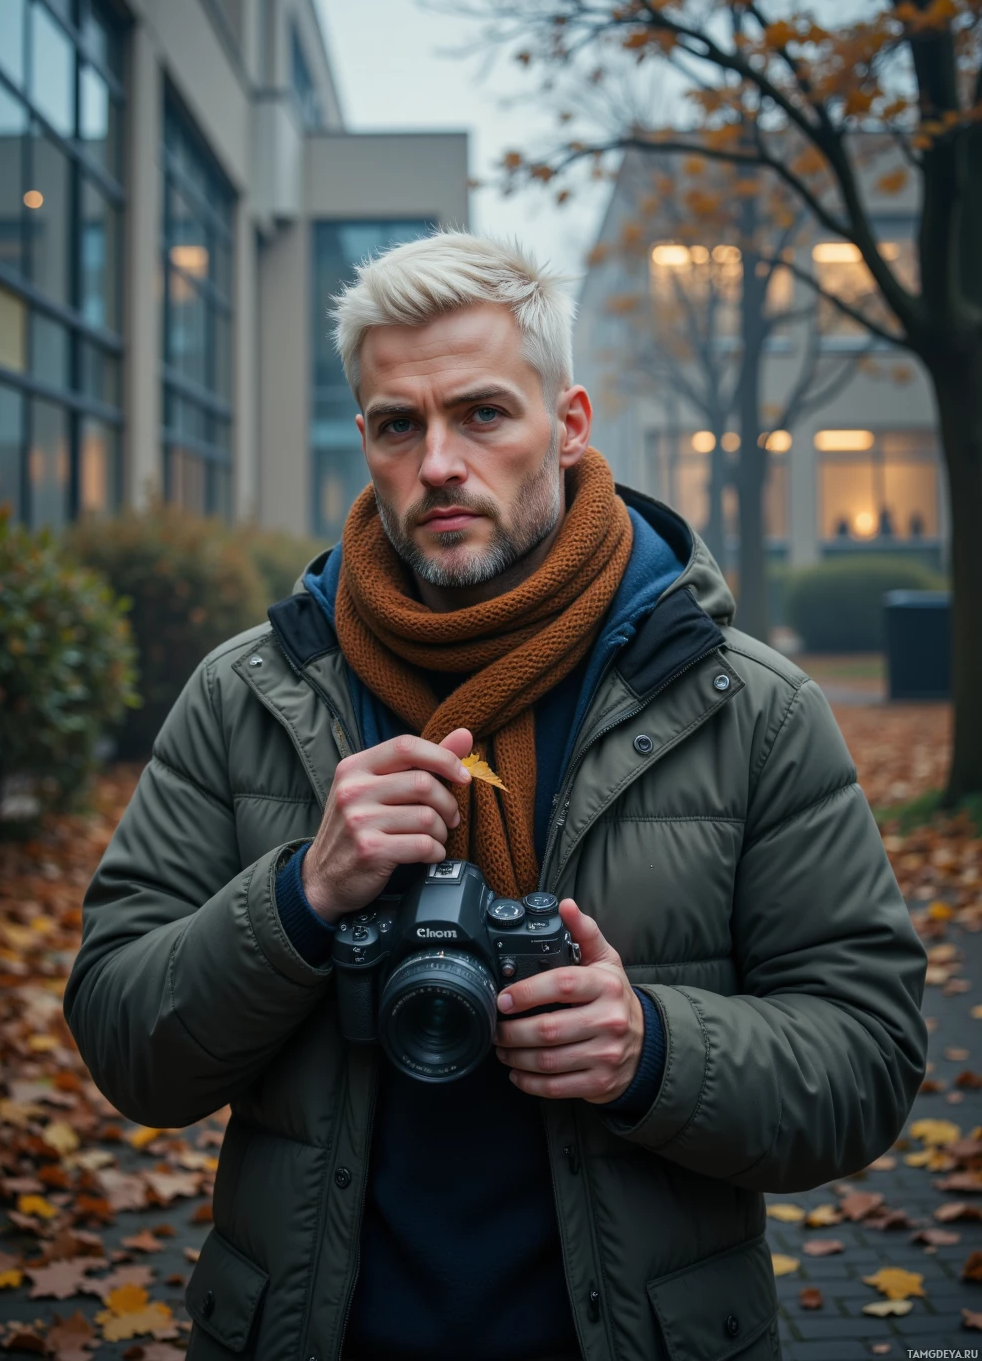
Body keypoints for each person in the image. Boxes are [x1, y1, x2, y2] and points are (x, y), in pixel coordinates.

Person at [65, 232, 928, 1361]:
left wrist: (653, 1049)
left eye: (481, 415)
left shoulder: (742, 708)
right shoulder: (250, 695)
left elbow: (867, 1060)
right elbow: (129, 1043)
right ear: (366, 442)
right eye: (396, 424)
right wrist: (298, 899)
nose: (436, 464)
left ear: (567, 426)